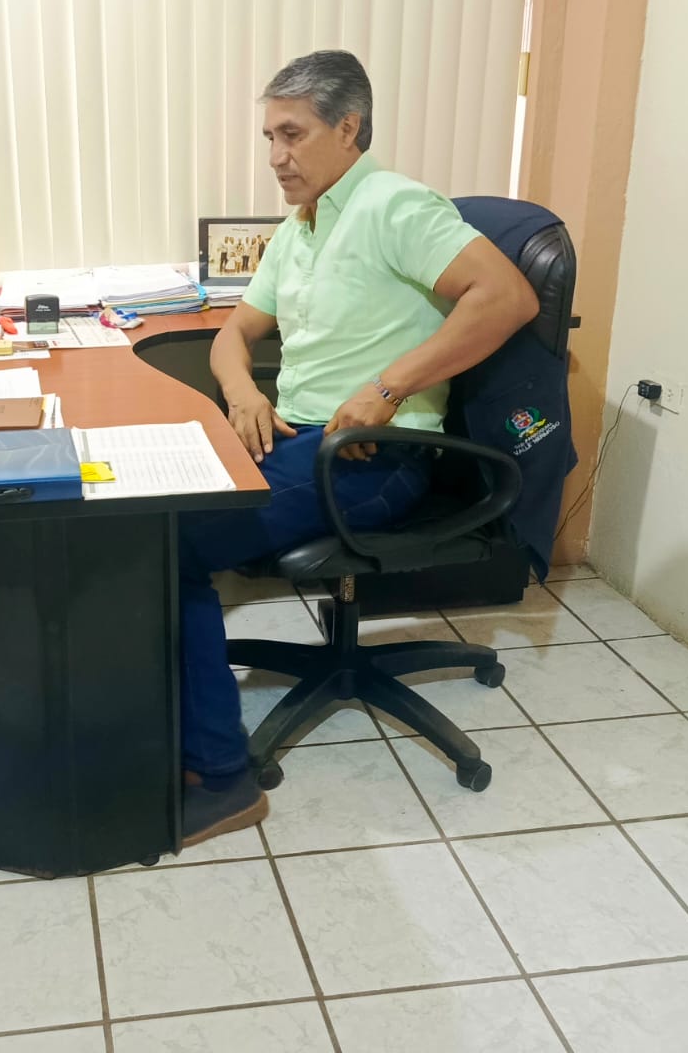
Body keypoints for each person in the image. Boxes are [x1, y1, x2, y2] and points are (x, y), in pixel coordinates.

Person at [179, 51, 539, 845]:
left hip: (375, 456)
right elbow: (235, 332)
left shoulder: (393, 205)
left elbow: (507, 297)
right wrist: (243, 394)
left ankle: (224, 780)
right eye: (270, 137)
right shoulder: (301, 226)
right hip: (298, 438)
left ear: (349, 128)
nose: (276, 156)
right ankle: (174, 724)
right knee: (153, 511)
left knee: (170, 545)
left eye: (293, 134)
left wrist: (388, 385)